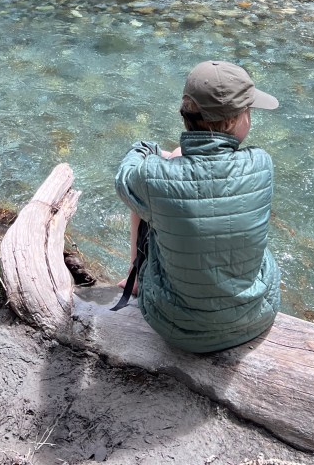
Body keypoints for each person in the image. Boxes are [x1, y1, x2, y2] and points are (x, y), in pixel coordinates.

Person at [114, 60, 280, 353]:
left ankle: (135, 275)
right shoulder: (261, 163)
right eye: (249, 111)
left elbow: (124, 179)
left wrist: (153, 152)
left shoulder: (153, 176)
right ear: (236, 121)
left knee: (146, 198)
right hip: (254, 318)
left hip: (175, 325)